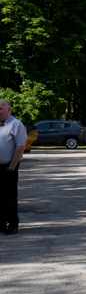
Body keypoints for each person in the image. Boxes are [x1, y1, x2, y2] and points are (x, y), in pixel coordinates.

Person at [0, 100, 27, 235]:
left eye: (0, 109)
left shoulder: (15, 124)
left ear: (9, 110)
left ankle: (12, 224)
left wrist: (11, 167)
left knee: (9, 196)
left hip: (9, 167)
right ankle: (1, 223)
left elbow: (20, 147)